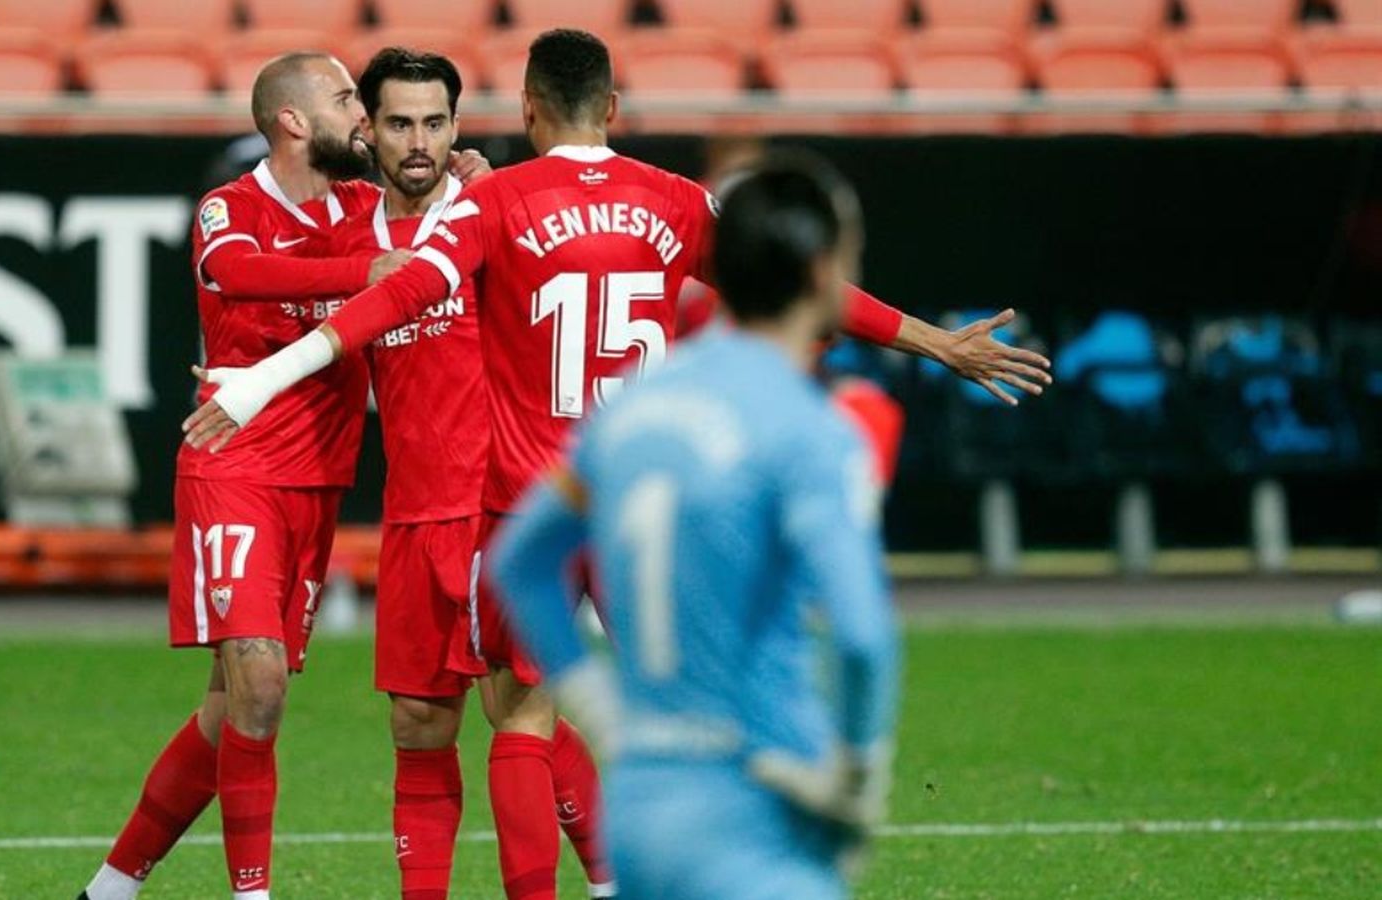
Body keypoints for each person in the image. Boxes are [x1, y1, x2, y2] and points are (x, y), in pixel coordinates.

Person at [181, 29, 1044, 899]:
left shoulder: (497, 201)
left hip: (533, 499)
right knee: (689, 717)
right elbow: (798, 290)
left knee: (522, 717)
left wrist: (262, 379)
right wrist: (936, 342)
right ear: (615, 109)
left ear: (525, 109)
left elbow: (400, 294)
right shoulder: (674, 201)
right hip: (647, 505)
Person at [76, 51, 486, 900]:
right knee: (258, 686)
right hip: (235, 468)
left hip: (319, 483)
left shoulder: (370, 208)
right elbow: (235, 274)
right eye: (348, 102)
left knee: (229, 712)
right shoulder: (232, 208)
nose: (366, 120)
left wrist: (475, 177)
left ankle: (111, 887)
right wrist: (357, 274)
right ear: (295, 121)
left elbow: (443, 218)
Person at [492, 154, 900, 899]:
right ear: (822, 274)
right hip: (756, 796)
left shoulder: (627, 415)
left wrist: (602, 711)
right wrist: (859, 775)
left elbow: (518, 564)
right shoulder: (812, 427)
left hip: (643, 807)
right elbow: (863, 638)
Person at [338, 47, 616, 899]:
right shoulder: (352, 238)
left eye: (434, 122)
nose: (419, 142)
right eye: (399, 123)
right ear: (370, 132)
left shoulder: (494, 214)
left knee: (512, 713)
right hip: (413, 510)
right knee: (419, 723)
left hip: (494, 504)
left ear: (458, 127)